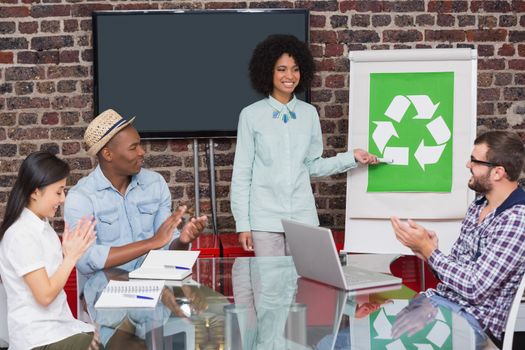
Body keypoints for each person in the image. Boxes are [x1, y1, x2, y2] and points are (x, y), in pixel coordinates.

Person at [230, 34, 378, 257]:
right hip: (265, 221)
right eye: (281, 69)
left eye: (295, 69)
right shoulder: (251, 116)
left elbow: (313, 166)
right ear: (267, 71)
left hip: (303, 218)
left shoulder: (309, 114)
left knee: (304, 286)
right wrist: (243, 224)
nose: (289, 76)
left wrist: (352, 157)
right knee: (271, 288)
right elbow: (242, 174)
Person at [391, 130, 525, 347]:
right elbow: (456, 271)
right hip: (439, 303)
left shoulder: (517, 218)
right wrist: (429, 252)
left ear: (498, 172)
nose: (468, 165)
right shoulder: (478, 206)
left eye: (475, 160)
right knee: (342, 339)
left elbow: (475, 286)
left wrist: (431, 253)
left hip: (473, 321)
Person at [64, 109, 208, 274]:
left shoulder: (155, 183)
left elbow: (167, 244)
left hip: (153, 288)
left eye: (139, 144)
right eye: (133, 147)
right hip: (104, 293)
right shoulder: (81, 197)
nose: (142, 152)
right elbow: (84, 260)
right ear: (107, 154)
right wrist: (150, 243)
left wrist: (182, 241)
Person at [0, 151, 98, 350]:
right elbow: (44, 296)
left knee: (123, 336)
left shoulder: (42, 227)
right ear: (36, 192)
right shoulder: (21, 234)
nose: (63, 199)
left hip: (60, 329)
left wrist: (67, 254)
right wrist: (70, 258)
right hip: (40, 339)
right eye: (58, 191)